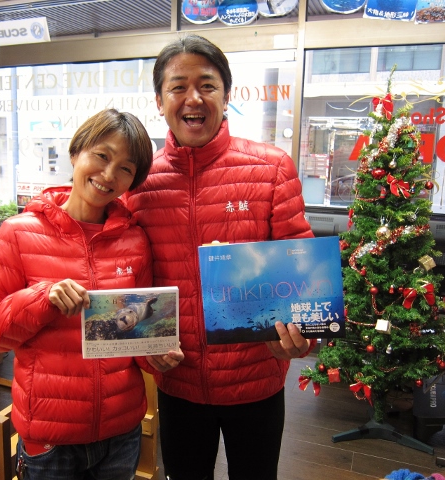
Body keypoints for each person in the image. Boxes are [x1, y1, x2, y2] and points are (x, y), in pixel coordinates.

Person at [125, 35, 316, 480]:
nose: (193, 98)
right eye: (178, 87)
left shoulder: (271, 169)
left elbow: (302, 271)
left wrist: (302, 335)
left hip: (256, 378)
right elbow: (129, 280)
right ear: (159, 101)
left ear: (226, 95)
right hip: (179, 380)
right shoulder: (140, 184)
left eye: (207, 85)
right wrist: (146, 350)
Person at [0, 108, 183, 480]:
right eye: (101, 156)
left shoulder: (134, 240)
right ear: (75, 152)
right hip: (50, 438)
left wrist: (156, 355)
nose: (109, 175)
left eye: (125, 168)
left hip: (121, 432)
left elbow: (137, 335)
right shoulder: (18, 233)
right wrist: (42, 297)